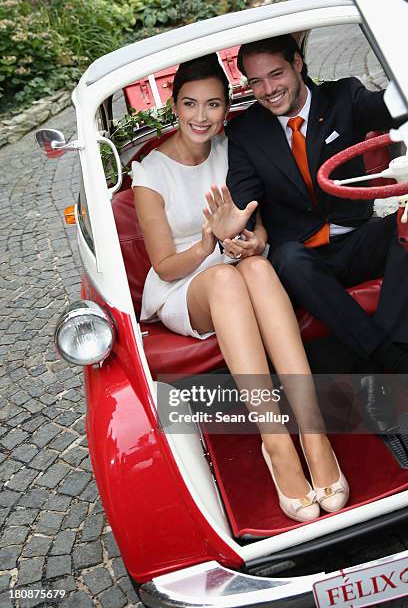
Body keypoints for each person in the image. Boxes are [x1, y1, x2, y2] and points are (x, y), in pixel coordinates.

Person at [132, 54, 348, 523]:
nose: (201, 116)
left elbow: (262, 232)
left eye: (213, 104)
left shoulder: (234, 148)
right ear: (173, 105)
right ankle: (276, 443)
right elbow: (166, 266)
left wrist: (251, 242)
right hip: (184, 284)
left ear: (226, 106)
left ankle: (313, 433)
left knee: (259, 270)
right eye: (190, 104)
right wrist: (210, 240)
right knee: (229, 280)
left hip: (236, 262)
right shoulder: (150, 172)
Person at [204, 35, 408, 381]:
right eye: (256, 81)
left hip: (355, 240)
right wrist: (245, 236)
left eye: (276, 74)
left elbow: (394, 105)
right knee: (288, 258)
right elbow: (244, 199)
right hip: (300, 260)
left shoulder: (344, 96)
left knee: (406, 222)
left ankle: (390, 351)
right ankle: (389, 357)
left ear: (297, 64)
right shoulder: (247, 131)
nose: (268, 89)